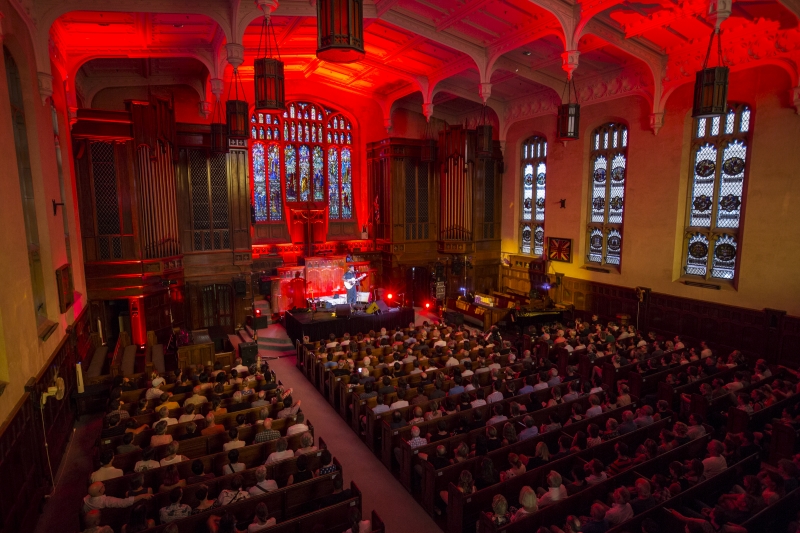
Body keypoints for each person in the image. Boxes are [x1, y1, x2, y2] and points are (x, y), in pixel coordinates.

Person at [82, 481, 152, 513]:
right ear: (100, 491)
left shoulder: (86, 500)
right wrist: (142, 496)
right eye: (103, 485)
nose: (104, 485)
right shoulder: (107, 501)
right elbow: (124, 502)